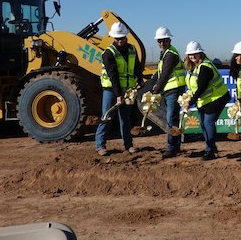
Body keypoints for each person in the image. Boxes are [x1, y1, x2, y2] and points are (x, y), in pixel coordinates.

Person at [96, 22, 143, 156]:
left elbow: (136, 67)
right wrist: (118, 94)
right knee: (107, 116)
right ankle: (100, 146)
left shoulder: (132, 49)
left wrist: (140, 79)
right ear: (113, 38)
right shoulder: (108, 53)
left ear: (126, 37)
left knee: (125, 118)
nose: (120, 41)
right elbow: (113, 75)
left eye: (122, 38)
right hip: (111, 90)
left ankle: (128, 145)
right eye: (117, 39)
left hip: (127, 90)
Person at [184, 41, 231, 161]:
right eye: (190, 54)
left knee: (208, 122)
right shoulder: (194, 67)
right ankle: (211, 147)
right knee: (202, 123)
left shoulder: (205, 67)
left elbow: (201, 87)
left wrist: (190, 101)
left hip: (217, 98)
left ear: (200, 53)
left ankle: (210, 151)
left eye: (195, 53)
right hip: (205, 100)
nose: (192, 56)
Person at [151, 27, 186, 159]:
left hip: (174, 89)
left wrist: (156, 89)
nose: (161, 43)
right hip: (170, 89)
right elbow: (162, 74)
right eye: (159, 41)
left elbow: (165, 74)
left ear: (169, 40)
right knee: (172, 118)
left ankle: (172, 147)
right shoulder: (166, 53)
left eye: (164, 41)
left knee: (171, 118)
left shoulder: (170, 54)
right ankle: (174, 146)